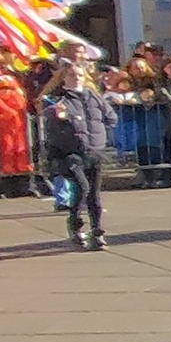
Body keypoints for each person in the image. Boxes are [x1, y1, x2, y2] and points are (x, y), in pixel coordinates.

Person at [38, 58, 112, 250]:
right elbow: (48, 116)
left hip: (93, 150)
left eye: (80, 75)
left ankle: (97, 231)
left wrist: (100, 135)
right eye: (72, 75)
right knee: (82, 187)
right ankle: (75, 223)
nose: (77, 78)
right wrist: (59, 117)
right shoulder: (58, 98)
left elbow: (111, 117)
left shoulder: (93, 96)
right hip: (70, 152)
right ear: (64, 78)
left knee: (94, 193)